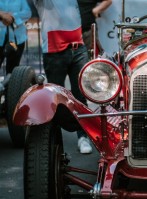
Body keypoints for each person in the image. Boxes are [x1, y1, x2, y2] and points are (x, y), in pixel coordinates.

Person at [32, 0, 94, 153]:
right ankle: (54, 142)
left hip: (78, 47)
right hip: (54, 51)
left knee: (80, 95)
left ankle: (83, 137)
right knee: (55, 99)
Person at [0, 0, 31, 75]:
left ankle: (9, 86)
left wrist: (13, 17)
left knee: (12, 71)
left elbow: (28, 13)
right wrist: (2, 15)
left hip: (17, 40)